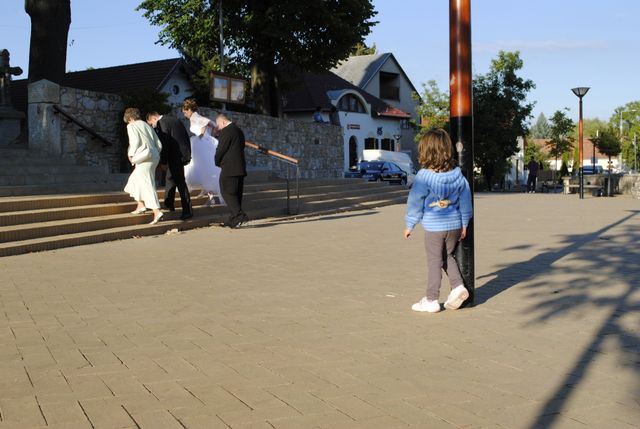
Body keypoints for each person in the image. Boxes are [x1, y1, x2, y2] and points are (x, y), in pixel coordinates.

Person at [404, 128, 472, 313]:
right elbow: (466, 201)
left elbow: (415, 202)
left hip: (434, 227)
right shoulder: (458, 175)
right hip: (455, 225)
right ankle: (458, 286)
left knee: (434, 261)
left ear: (425, 151)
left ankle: (431, 299)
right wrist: (464, 223)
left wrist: (410, 224)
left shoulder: (423, 177)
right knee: (447, 256)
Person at [146, 112, 193, 220]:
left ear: (154, 118)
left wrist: (163, 161)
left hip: (175, 157)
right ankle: (168, 204)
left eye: (151, 124)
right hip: (181, 155)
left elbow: (165, 143)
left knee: (180, 183)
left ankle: (187, 210)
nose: (153, 127)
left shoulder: (162, 123)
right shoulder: (174, 120)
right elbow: (186, 137)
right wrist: (187, 154)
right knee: (170, 179)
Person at [123, 107, 164, 224]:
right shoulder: (147, 125)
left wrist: (131, 155)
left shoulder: (131, 125)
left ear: (130, 118)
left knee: (147, 184)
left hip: (144, 158)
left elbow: (135, 141)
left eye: (128, 120)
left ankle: (156, 211)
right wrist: (155, 153)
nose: (128, 122)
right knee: (134, 180)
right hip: (153, 156)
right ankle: (140, 205)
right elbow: (159, 144)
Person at [181, 99, 224, 207]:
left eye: (185, 112)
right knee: (205, 169)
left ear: (189, 110)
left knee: (204, 169)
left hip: (201, 143)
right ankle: (210, 195)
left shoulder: (195, 117)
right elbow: (212, 124)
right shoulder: (196, 117)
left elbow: (205, 123)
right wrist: (213, 131)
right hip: (204, 143)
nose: (185, 115)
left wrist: (202, 134)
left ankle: (210, 196)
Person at [215, 112, 248, 228]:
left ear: (223, 122)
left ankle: (240, 215)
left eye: (218, 125)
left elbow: (221, 149)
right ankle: (234, 220)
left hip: (229, 167)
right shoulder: (239, 131)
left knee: (226, 191)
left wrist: (217, 161)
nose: (218, 128)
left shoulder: (226, 131)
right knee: (236, 194)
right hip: (240, 167)